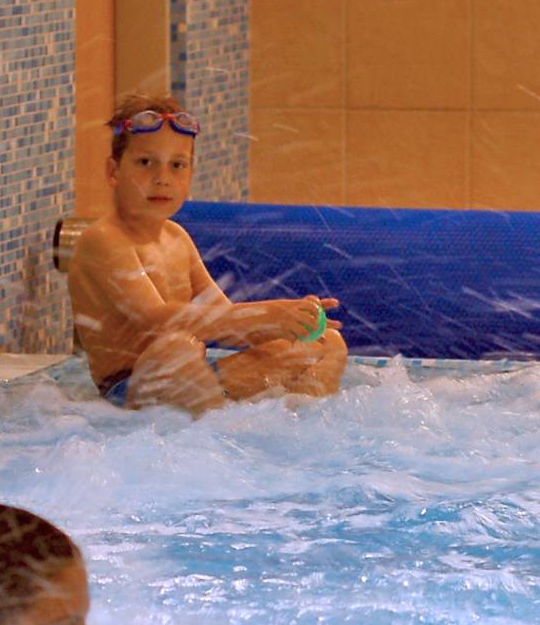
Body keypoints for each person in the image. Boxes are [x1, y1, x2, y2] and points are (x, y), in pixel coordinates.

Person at [67, 93, 349, 414]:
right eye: (145, 163)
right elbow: (157, 321)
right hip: (131, 391)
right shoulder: (104, 239)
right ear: (113, 171)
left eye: (177, 165)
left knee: (326, 344)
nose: (162, 178)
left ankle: (289, 429)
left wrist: (290, 321)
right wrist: (264, 315)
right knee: (177, 348)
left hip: (194, 384)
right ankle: (217, 429)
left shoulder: (177, 238)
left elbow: (227, 322)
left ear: (190, 175)